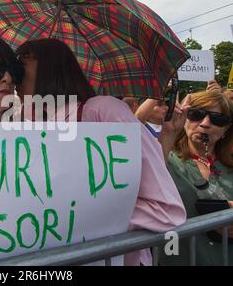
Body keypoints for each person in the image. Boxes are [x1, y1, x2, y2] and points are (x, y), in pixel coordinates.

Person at [15, 38, 187, 266]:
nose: (11, 77)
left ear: (48, 67)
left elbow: (165, 208)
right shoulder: (26, 124)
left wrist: (76, 219)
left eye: (19, 66)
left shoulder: (103, 111)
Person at [159, 90, 233, 265]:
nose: (205, 123)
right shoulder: (168, 159)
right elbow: (147, 176)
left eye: (217, 119)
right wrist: (168, 133)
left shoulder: (229, 164)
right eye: (196, 115)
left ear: (226, 129)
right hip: (181, 258)